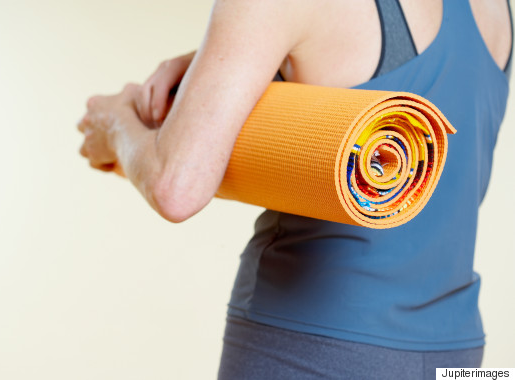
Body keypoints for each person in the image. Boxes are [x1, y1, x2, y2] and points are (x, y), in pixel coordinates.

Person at [77, 0, 513, 378]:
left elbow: (178, 188)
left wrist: (115, 124)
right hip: (459, 354)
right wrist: (217, 57)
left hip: (315, 345)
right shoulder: (492, 7)